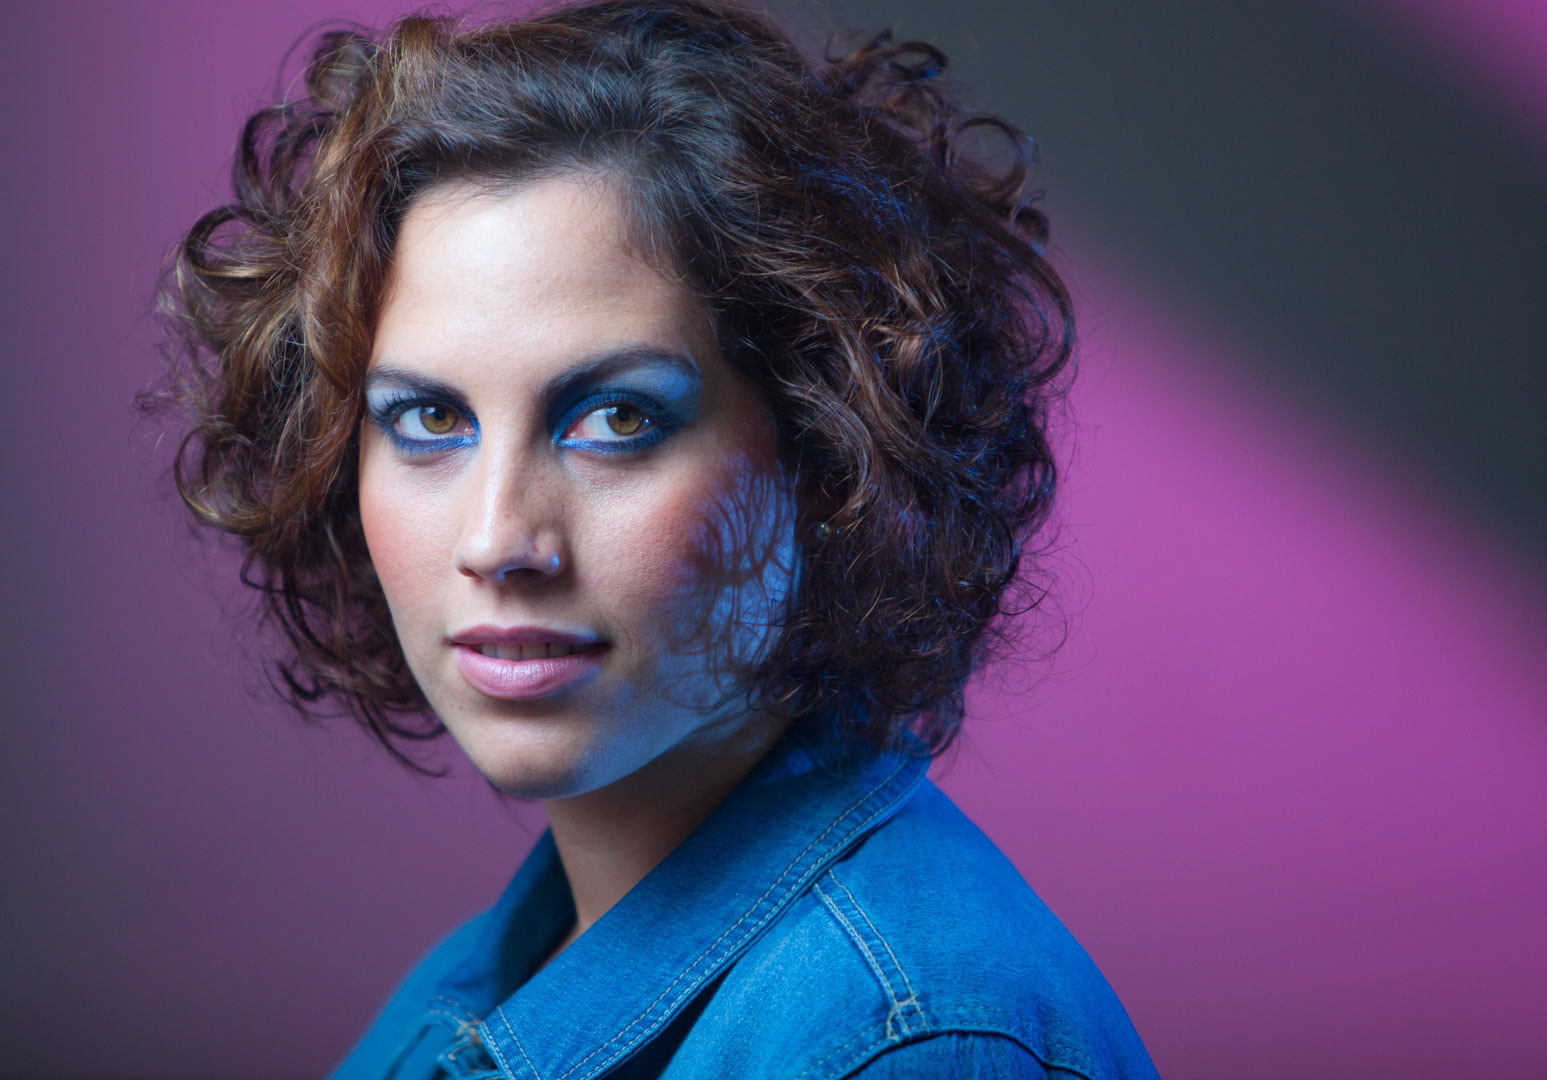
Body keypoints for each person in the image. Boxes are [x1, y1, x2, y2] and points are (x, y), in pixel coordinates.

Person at [150, 1, 1160, 1076]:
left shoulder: (905, 1044)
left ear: (828, 450)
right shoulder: (459, 1003)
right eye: (430, 419)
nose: (498, 540)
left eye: (616, 419)